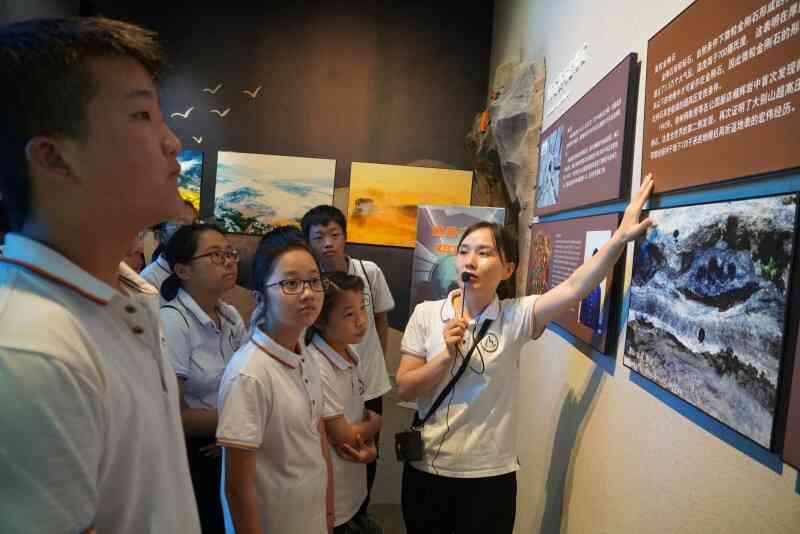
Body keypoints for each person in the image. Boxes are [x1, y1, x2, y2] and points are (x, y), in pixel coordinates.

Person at [0, 17, 200, 534]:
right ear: (53, 157)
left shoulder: (128, 292)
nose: (172, 141)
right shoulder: (29, 348)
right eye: (141, 115)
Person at [395, 177, 655, 534]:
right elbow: (405, 388)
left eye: (484, 253)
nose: (470, 260)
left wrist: (620, 238)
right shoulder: (426, 314)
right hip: (427, 471)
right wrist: (443, 358)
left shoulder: (515, 316)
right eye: (464, 251)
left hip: (489, 476)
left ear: (508, 269)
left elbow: (574, 288)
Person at [216, 226, 334, 534]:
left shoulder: (304, 352)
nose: (307, 293)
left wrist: (328, 514)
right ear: (260, 296)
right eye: (290, 283)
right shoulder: (249, 374)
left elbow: (317, 438)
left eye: (314, 280)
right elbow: (237, 490)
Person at [301, 205, 393, 504]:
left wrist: (377, 360)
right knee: (336, 445)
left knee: (370, 449)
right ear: (308, 242)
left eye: (334, 235)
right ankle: (338, 509)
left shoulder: (369, 272)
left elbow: (381, 320)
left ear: (345, 237)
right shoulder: (310, 281)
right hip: (329, 374)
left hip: (370, 377)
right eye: (318, 237)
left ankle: (361, 508)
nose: (328, 243)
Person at [159, 222, 248, 533]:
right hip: (195, 452)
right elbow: (172, 414)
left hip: (231, 440)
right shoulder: (173, 321)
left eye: (229, 253)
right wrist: (237, 424)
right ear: (183, 270)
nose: (228, 262)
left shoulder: (230, 315)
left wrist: (235, 432)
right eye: (215, 255)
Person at [306, 271, 384, 534]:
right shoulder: (317, 364)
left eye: (362, 308)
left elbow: (354, 422)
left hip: (352, 484)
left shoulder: (351, 352)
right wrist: (375, 424)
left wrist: (366, 440)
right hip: (332, 494)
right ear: (320, 320)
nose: (361, 320)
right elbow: (341, 434)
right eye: (349, 314)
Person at [140, 198, 198, 287]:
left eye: (194, 226)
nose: (191, 234)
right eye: (182, 227)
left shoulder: (200, 270)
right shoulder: (148, 280)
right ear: (160, 236)